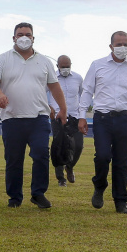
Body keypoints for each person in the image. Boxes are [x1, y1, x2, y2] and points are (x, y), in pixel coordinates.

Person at [0, 22, 67, 209]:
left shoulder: (44, 61)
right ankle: (14, 197)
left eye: (28, 34)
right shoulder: (2, 59)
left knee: (40, 153)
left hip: (39, 117)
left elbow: (55, 87)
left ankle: (38, 193)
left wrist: (63, 109)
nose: (24, 37)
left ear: (33, 38)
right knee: (14, 159)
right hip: (12, 117)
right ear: (14, 38)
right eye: (20, 34)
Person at [78, 31, 127, 215]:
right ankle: (100, 185)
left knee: (121, 161)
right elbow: (87, 90)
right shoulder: (97, 65)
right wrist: (81, 116)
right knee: (103, 156)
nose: (122, 47)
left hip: (122, 119)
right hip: (102, 118)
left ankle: (121, 201)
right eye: (118, 44)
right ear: (111, 46)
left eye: (125, 44)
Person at [47, 55, 84, 186]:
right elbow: (41, 92)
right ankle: (61, 178)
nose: (65, 69)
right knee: (59, 146)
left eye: (67, 66)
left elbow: (82, 95)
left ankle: (70, 166)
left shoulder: (78, 78)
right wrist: (49, 107)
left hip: (75, 115)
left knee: (78, 145)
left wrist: (82, 113)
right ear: (57, 66)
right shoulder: (51, 78)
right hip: (57, 116)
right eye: (63, 67)